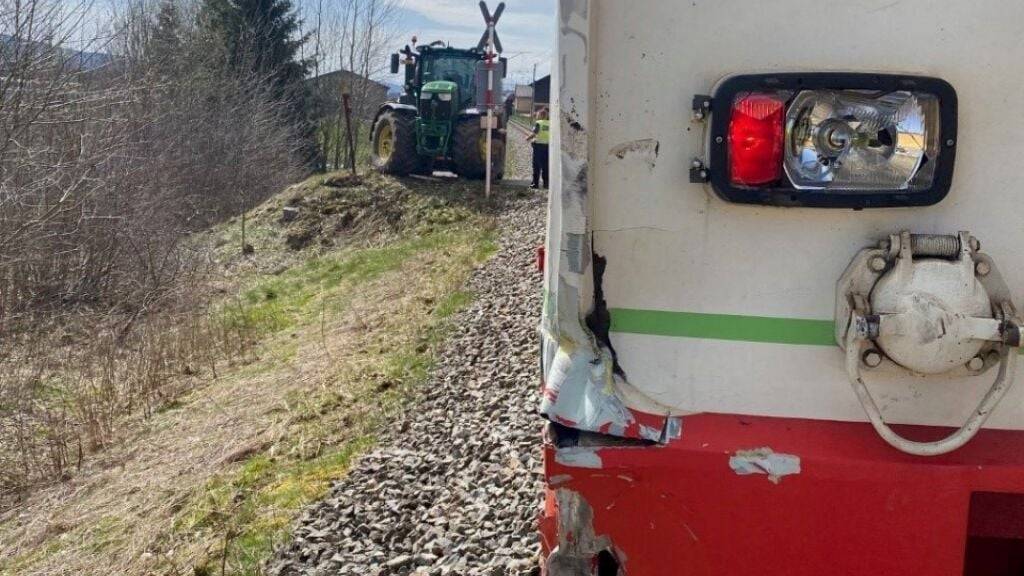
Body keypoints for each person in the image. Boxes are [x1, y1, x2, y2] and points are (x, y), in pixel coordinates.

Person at [527, 108, 550, 189]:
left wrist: (527, 138)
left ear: (540, 115)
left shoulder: (538, 123)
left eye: (537, 115)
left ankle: (535, 184)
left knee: (536, 166)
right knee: (546, 166)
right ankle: (546, 184)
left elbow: (534, 133)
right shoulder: (550, 123)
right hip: (548, 148)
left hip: (539, 147)